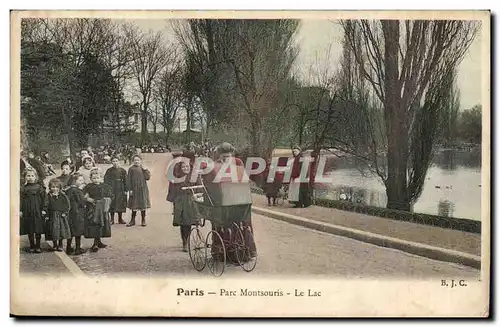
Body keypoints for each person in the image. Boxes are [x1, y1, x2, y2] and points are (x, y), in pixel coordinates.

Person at [167, 160, 199, 252]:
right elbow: (172, 189)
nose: (185, 168)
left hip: (192, 200)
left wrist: (198, 195)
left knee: (190, 221)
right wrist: (174, 201)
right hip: (181, 201)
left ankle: (188, 239)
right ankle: (185, 241)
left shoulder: (194, 176)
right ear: (180, 168)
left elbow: (199, 186)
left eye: (187, 167)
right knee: (184, 222)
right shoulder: (176, 176)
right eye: (183, 167)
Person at [83, 170, 113, 252]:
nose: (96, 180)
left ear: (101, 178)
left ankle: (99, 241)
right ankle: (95, 243)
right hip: (93, 209)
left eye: (98, 178)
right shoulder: (88, 187)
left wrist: (107, 200)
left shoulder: (105, 187)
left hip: (103, 209)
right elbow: (84, 196)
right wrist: (88, 199)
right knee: (95, 224)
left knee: (101, 225)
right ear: (91, 178)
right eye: (94, 178)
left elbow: (110, 196)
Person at [19, 168, 46, 253]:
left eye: (32, 176)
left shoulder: (39, 187)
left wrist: (44, 209)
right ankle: (32, 245)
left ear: (35, 177)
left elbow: (44, 199)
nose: (30, 177)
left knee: (38, 228)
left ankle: (38, 246)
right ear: (25, 177)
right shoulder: (23, 189)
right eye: (28, 176)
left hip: (37, 210)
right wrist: (20, 210)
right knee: (29, 228)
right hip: (27, 211)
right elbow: (21, 200)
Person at [45, 178, 71, 252]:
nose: (55, 189)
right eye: (53, 187)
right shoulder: (48, 196)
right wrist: (46, 214)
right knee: (53, 230)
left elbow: (67, 205)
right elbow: (45, 205)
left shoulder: (63, 196)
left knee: (61, 230)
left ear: (60, 188)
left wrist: (65, 212)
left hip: (60, 216)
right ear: (50, 188)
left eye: (57, 187)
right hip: (52, 215)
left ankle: (60, 244)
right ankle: (54, 244)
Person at [126, 155, 151, 227]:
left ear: (141, 161)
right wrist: (130, 189)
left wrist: (145, 170)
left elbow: (148, 177)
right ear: (133, 161)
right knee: (134, 204)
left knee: (143, 204)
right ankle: (132, 220)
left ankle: (143, 219)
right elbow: (129, 180)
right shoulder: (131, 169)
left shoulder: (143, 168)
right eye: (135, 160)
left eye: (138, 160)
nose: (136, 161)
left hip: (142, 189)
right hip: (134, 189)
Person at [65, 174, 87, 255]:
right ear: (74, 181)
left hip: (70, 213)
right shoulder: (78, 191)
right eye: (80, 180)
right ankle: (78, 249)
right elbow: (82, 202)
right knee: (78, 231)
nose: (82, 182)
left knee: (71, 231)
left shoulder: (68, 190)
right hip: (78, 213)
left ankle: (68, 247)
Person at [104, 157, 128, 225]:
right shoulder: (109, 171)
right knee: (112, 203)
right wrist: (107, 189)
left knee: (120, 203)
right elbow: (106, 180)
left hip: (120, 188)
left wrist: (126, 189)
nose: (115, 162)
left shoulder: (122, 170)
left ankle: (120, 218)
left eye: (116, 161)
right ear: (111, 162)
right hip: (112, 188)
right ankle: (112, 219)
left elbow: (126, 180)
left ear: (119, 161)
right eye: (113, 161)